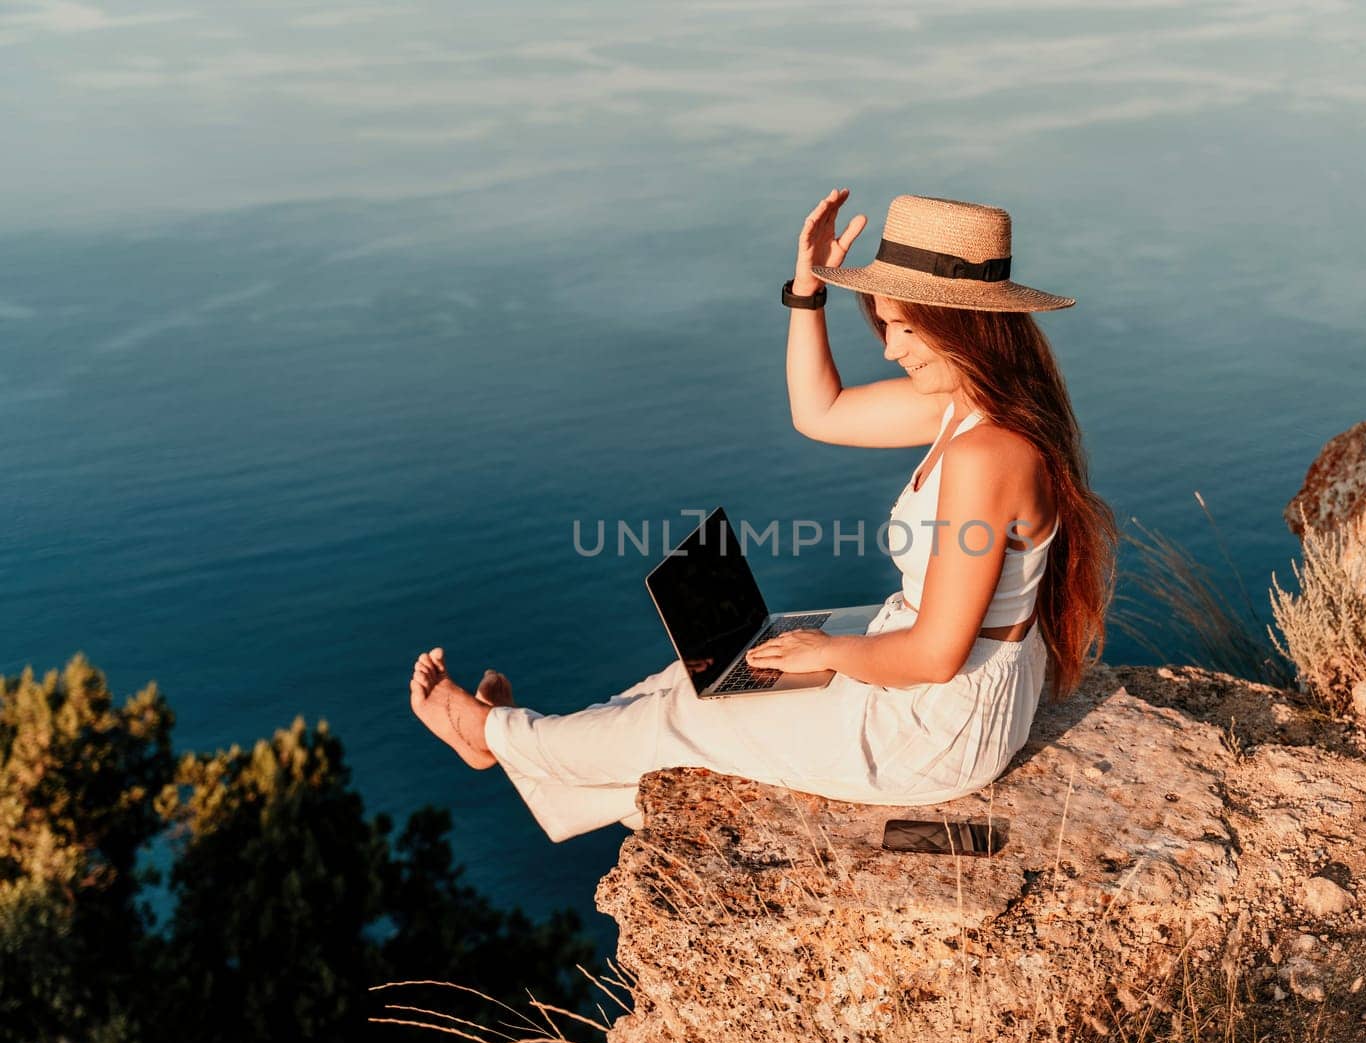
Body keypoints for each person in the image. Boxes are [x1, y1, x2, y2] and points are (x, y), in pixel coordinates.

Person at [408, 190, 1118, 843]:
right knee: (712, 664)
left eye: (903, 329)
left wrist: (830, 653)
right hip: (947, 675)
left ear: (959, 324)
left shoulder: (986, 455)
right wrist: (806, 292)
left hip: (936, 724)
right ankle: (520, 747)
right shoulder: (966, 406)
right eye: (884, 326)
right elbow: (822, 411)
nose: (889, 347)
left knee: (685, 716)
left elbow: (935, 655)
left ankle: (491, 732)